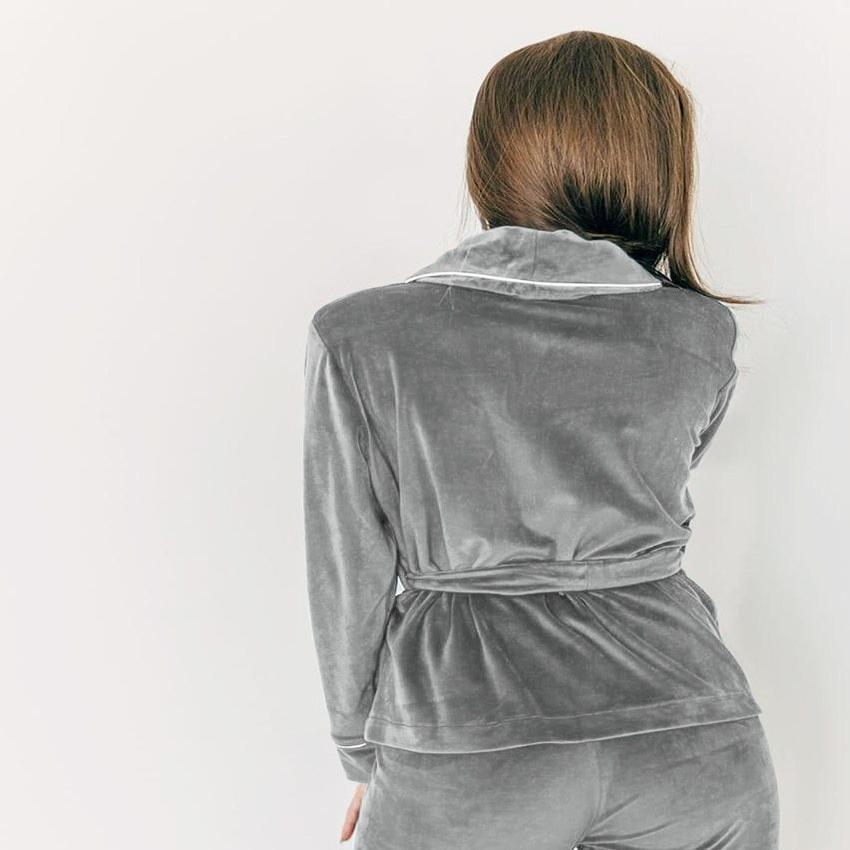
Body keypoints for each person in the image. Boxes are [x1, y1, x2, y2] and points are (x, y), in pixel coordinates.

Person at [302, 30, 780, 850]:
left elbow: (348, 574)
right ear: (658, 164)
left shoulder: (360, 336)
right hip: (693, 739)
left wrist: (365, 754)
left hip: (471, 741)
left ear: (489, 161)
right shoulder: (700, 332)